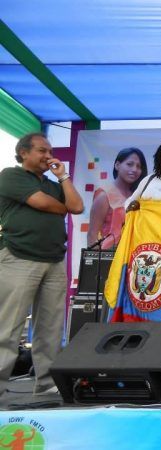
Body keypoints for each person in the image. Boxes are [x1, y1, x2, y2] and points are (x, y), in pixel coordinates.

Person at [0, 132, 84, 397]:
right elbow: (42, 203)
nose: (49, 156)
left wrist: (63, 177)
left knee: (50, 329)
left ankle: (47, 384)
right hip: (19, 257)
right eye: (42, 151)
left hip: (54, 260)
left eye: (50, 151)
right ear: (23, 152)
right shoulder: (10, 176)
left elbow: (76, 206)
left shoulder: (52, 183)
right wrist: (61, 206)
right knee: (8, 327)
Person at [87, 147, 147, 249]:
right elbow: (92, 234)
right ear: (117, 165)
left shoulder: (138, 196)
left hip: (134, 254)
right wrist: (94, 257)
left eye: (139, 166)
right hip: (109, 254)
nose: (134, 169)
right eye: (129, 164)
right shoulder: (104, 195)